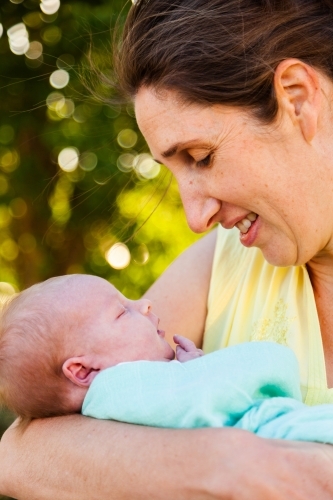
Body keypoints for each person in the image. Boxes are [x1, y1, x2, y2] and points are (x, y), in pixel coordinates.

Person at [2, 0, 333, 498]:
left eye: (201, 157)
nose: (196, 219)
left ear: (297, 98)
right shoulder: (220, 265)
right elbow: (20, 452)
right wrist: (224, 466)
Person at [2, 273, 333, 445]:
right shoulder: (116, 391)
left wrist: (191, 370)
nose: (144, 303)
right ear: (83, 370)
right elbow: (211, 397)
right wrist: (202, 370)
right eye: (121, 312)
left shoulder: (123, 396)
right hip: (278, 434)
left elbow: (189, 405)